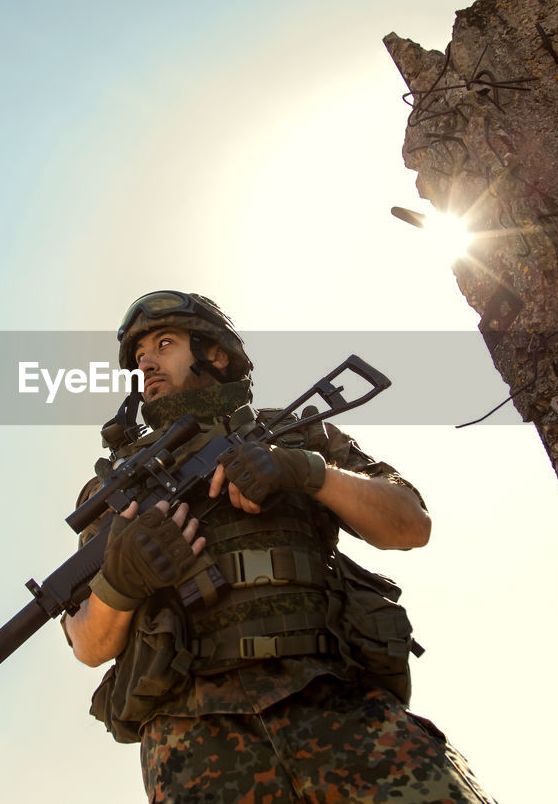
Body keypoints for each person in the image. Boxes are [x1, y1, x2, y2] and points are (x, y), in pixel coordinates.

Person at [63, 291, 495, 803]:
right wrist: (122, 580)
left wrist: (305, 472)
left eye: (163, 343)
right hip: (193, 742)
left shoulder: (296, 433)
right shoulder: (116, 492)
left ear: (215, 354)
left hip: (340, 704)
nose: (148, 363)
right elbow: (88, 644)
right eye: (139, 358)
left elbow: (409, 523)